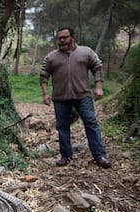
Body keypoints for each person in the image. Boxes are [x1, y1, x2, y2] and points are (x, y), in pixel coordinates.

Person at [40, 27, 111, 168]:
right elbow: (43, 75)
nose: (62, 40)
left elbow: (97, 67)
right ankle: (66, 156)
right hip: (60, 98)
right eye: (59, 38)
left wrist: (98, 87)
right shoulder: (51, 57)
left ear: (73, 37)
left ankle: (100, 156)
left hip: (83, 96)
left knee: (91, 124)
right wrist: (45, 94)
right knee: (62, 127)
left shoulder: (86, 52)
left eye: (64, 37)